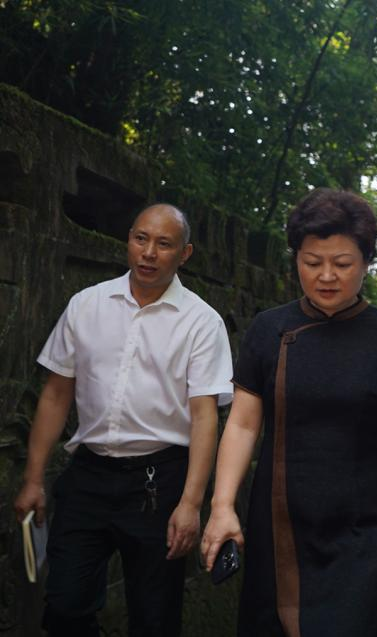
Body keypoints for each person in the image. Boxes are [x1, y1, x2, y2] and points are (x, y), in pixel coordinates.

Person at [199, 189, 377, 636]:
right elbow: (243, 424)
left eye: (343, 264)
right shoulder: (269, 329)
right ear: (296, 259)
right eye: (312, 262)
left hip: (365, 527)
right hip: (282, 519)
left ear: (366, 262)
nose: (327, 276)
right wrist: (221, 506)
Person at [12, 204, 234, 637]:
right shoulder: (87, 304)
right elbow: (55, 394)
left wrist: (191, 504)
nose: (149, 253)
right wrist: (33, 478)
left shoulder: (202, 322)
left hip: (159, 481)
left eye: (164, 244)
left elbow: (205, 417)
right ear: (128, 240)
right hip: (89, 474)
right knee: (64, 607)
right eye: (140, 239)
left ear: (184, 254)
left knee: (155, 618)